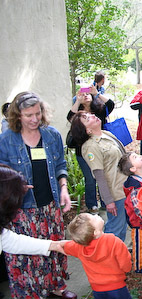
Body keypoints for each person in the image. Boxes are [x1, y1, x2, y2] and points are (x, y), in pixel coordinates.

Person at [0, 92, 73, 298]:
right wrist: (14, 185)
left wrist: (64, 188)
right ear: (17, 116)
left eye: (37, 113)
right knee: (27, 252)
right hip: (21, 209)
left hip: (49, 205)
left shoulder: (52, 135)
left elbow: (60, 164)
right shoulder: (5, 140)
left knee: (53, 246)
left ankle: (55, 287)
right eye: (28, 115)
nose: (34, 119)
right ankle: (31, 291)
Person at [70, 111, 128, 241]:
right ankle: (108, 257)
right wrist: (108, 201)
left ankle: (119, 255)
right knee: (115, 230)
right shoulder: (90, 146)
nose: (92, 115)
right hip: (116, 193)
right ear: (87, 130)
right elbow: (99, 176)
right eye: (86, 118)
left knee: (123, 227)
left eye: (89, 114)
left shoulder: (106, 134)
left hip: (125, 187)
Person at [67, 88, 115, 213]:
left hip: (101, 149)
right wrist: (77, 101)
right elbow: (70, 117)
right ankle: (92, 205)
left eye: (88, 93)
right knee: (90, 178)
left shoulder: (98, 110)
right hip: (83, 152)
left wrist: (97, 93)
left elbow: (111, 104)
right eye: (83, 94)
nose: (86, 96)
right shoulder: (78, 115)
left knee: (103, 176)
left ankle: (105, 201)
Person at [65, 213, 132, 299]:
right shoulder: (114, 241)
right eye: (94, 217)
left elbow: (65, 246)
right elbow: (126, 265)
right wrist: (127, 269)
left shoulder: (79, 246)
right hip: (117, 287)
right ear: (95, 232)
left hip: (97, 289)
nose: (96, 215)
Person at [118, 152, 142, 274]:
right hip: (138, 221)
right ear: (133, 168)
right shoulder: (134, 185)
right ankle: (139, 266)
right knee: (139, 244)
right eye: (135, 157)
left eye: (137, 154)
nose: (139, 155)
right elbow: (135, 206)